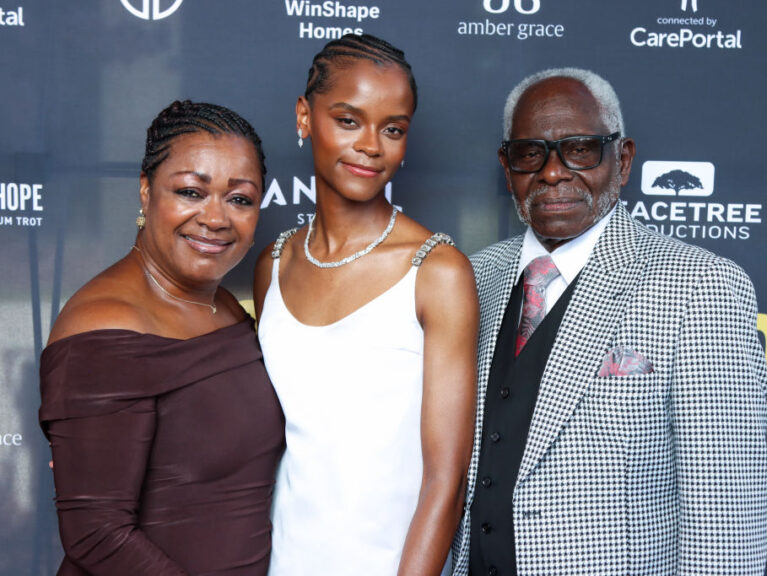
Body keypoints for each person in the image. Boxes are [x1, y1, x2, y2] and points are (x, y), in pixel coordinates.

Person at [450, 68, 767, 576]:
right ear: (506, 166)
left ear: (622, 160)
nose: (552, 172)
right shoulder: (472, 278)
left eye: (580, 149)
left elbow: (724, 518)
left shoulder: (700, 286)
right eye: (530, 153)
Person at [254, 34, 478, 576]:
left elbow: (445, 483)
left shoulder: (438, 271)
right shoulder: (274, 264)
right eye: (349, 120)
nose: (372, 145)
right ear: (305, 117)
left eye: (393, 128)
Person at [39, 101, 284, 575]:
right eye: (192, 192)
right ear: (146, 191)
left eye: (240, 199)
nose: (215, 218)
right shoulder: (104, 327)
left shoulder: (224, 307)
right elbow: (97, 535)